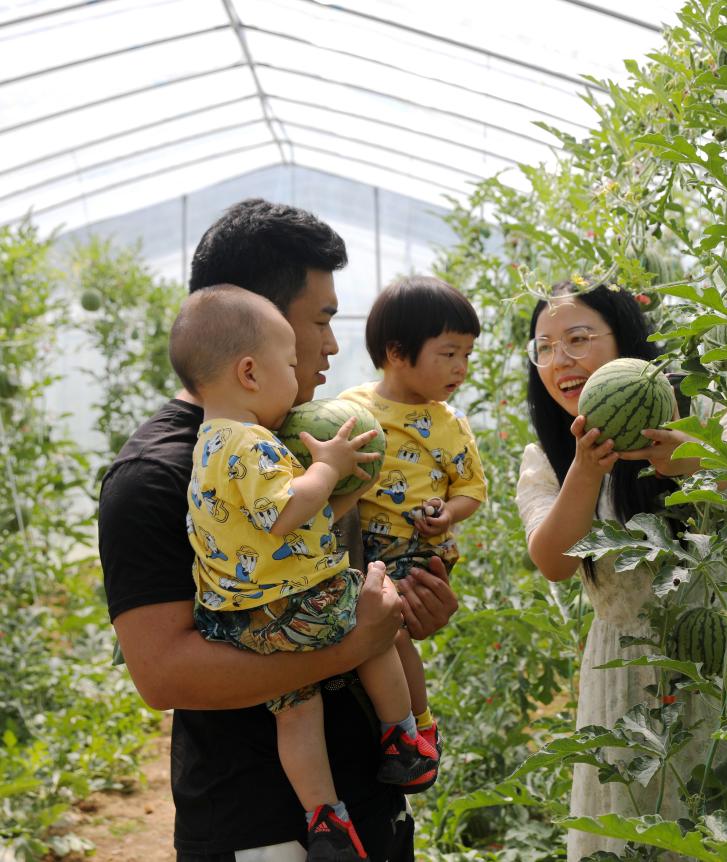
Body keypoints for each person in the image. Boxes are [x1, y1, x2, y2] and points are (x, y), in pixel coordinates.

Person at [99, 198, 458, 862]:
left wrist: (407, 611)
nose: (330, 345)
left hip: (371, 804)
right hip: (262, 829)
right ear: (252, 327)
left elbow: (342, 590)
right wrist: (356, 643)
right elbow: (164, 674)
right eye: (320, 321)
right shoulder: (155, 474)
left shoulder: (300, 438)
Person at [172, 285, 436, 860]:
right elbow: (287, 507)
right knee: (378, 618)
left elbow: (275, 530)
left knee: (297, 709)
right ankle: (404, 737)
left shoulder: (205, 447)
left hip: (244, 621)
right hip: (299, 605)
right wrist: (329, 466)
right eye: (290, 365)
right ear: (249, 372)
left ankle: (324, 818)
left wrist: (339, 497)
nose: (300, 377)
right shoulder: (253, 442)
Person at [514, 281, 721, 861]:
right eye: (545, 347)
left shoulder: (700, 413)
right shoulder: (546, 459)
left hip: (720, 659)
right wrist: (584, 469)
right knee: (632, 833)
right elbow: (552, 561)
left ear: (626, 342)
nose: (561, 361)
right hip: (624, 674)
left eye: (578, 340)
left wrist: (688, 459)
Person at [339, 275, 488, 790]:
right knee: (369, 633)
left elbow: (471, 489)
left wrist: (448, 514)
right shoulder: (353, 408)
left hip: (417, 551)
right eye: (449, 353)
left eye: (467, 354)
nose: (461, 368)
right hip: (363, 550)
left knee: (391, 631)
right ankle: (406, 728)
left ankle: (415, 730)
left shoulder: (449, 425)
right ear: (397, 352)